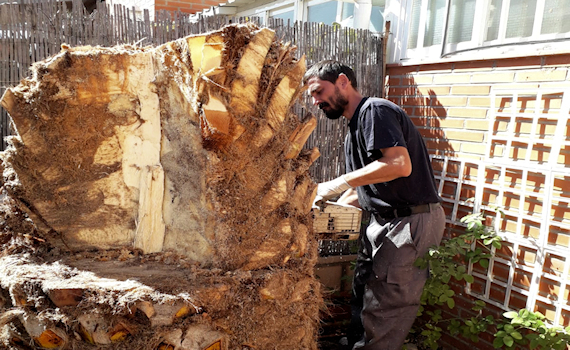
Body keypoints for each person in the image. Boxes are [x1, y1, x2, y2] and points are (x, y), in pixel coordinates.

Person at [304, 60, 446, 350]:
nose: (316, 102)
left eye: (319, 92)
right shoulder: (352, 131)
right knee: (364, 288)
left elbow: (399, 164)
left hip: (409, 221)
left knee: (387, 303)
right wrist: (331, 209)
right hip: (382, 221)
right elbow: (366, 188)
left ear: (343, 81)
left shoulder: (375, 111)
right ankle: (358, 344)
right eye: (313, 97)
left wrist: (338, 183)